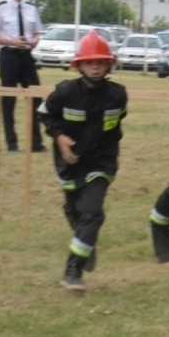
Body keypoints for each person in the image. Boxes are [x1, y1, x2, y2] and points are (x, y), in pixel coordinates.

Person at [38, 32, 127, 291]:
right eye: (90, 62)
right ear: (79, 65)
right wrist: (61, 139)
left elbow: (116, 125)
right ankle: (86, 243)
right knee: (74, 210)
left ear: (109, 64)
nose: (96, 67)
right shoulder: (65, 92)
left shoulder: (118, 95)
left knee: (92, 213)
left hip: (101, 162)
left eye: (101, 62)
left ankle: (73, 270)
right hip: (70, 163)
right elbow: (45, 115)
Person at [0, 0, 46, 152]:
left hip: (26, 57)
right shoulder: (1, 9)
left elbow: (37, 32)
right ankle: (11, 143)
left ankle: (36, 142)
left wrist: (35, 40)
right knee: (9, 100)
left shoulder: (31, 9)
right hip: (9, 56)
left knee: (36, 97)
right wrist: (13, 42)